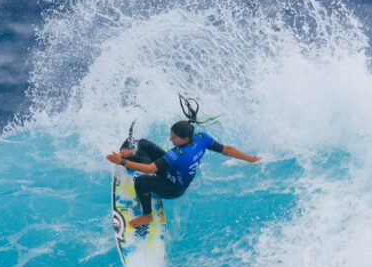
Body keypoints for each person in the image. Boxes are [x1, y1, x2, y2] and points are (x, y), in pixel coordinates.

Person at [105, 97, 260, 228]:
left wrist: (122, 161)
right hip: (171, 171)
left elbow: (149, 169)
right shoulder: (201, 138)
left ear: (185, 139)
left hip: (173, 188)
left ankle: (147, 216)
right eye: (171, 135)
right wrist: (250, 158)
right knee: (144, 143)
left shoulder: (177, 154)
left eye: (174, 137)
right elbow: (227, 149)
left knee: (141, 181)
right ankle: (134, 154)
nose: (170, 139)